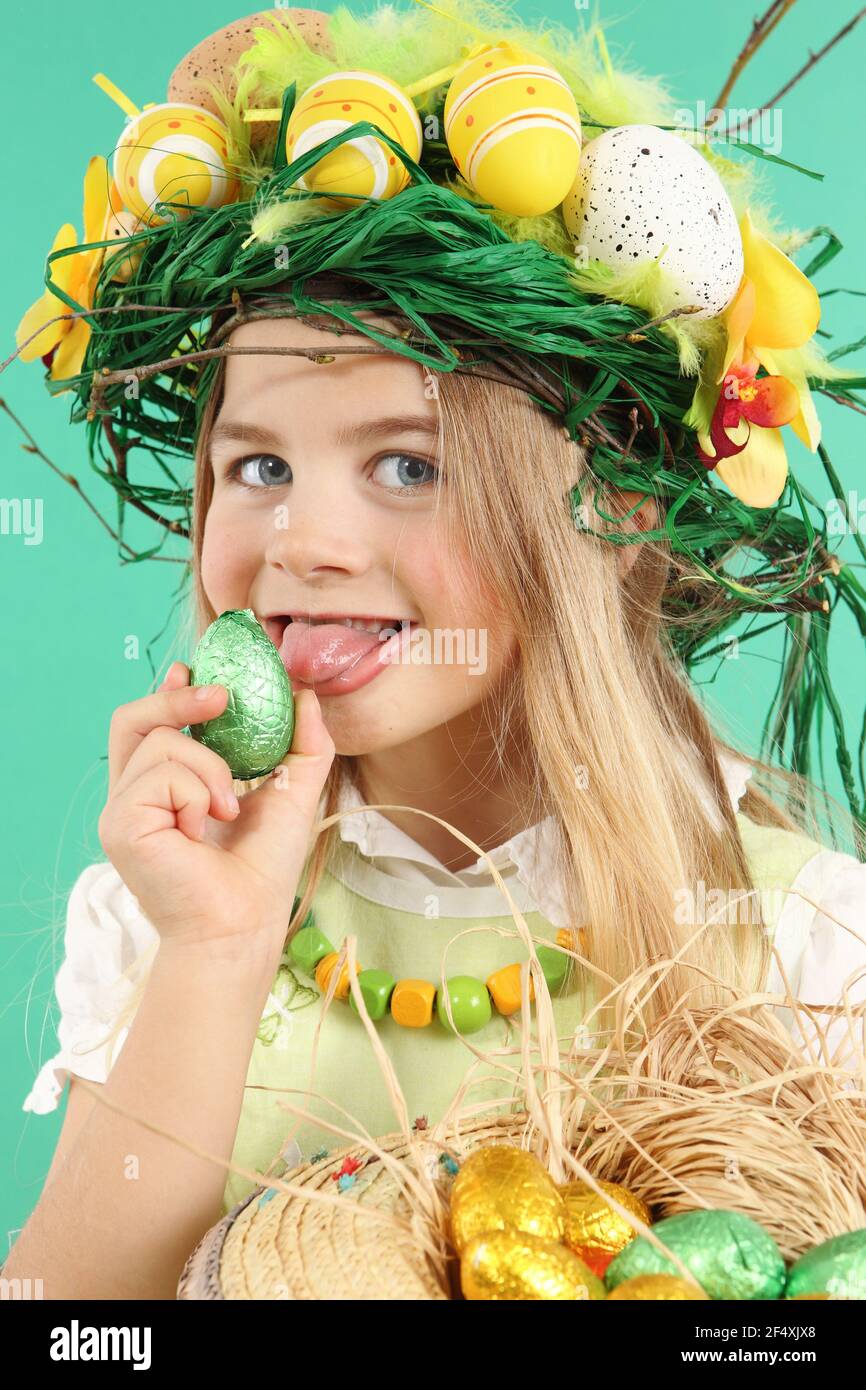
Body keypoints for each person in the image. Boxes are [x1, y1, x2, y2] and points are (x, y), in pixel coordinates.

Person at [6, 2, 866, 1300]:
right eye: (258, 464)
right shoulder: (165, 915)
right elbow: (77, 1336)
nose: (304, 539)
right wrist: (216, 951)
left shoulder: (799, 944)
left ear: (614, 498)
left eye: (406, 462)